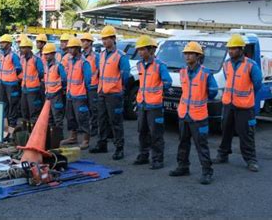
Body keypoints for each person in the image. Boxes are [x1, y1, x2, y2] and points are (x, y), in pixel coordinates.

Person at [168, 41, 218, 184]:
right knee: (183, 142)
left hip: (199, 116)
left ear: (198, 56)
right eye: (186, 53)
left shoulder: (206, 73)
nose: (187, 56)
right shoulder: (183, 72)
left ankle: (207, 172)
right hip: (184, 114)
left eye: (190, 53)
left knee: (201, 145)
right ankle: (183, 167)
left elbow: (213, 92)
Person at [214, 34, 263, 172]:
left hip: (244, 107)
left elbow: (258, 84)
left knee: (246, 134)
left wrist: (247, 96)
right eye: (229, 48)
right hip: (228, 104)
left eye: (234, 48)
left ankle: (251, 160)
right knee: (226, 131)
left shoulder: (250, 65)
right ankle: (223, 155)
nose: (230, 51)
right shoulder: (226, 64)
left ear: (241, 49)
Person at [89, 25, 130, 160]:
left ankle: (119, 148)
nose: (104, 41)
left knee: (116, 122)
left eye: (107, 39)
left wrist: (120, 89)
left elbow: (125, 75)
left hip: (114, 94)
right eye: (103, 39)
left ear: (113, 39)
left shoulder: (121, 56)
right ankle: (102, 144)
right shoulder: (101, 55)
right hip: (102, 92)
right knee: (102, 119)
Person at [132, 35, 172, 170]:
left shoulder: (160, 66)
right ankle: (143, 155)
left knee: (156, 134)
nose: (140, 52)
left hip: (154, 105)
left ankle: (157, 159)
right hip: (142, 104)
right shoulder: (139, 65)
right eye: (139, 50)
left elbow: (168, 82)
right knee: (142, 132)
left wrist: (157, 93)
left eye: (143, 49)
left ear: (151, 50)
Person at [61, 37, 92, 150]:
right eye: (69, 48)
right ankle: (73, 137)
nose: (69, 50)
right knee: (70, 117)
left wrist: (84, 93)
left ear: (78, 49)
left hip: (80, 95)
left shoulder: (84, 62)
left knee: (82, 118)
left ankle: (85, 140)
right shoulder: (70, 60)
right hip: (70, 94)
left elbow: (88, 80)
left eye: (72, 48)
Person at [43, 43, 67, 144]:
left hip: (56, 94)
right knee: (49, 118)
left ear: (53, 54)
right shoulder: (46, 66)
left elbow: (64, 79)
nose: (46, 56)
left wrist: (63, 90)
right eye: (45, 54)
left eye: (48, 54)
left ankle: (59, 138)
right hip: (48, 94)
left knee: (58, 118)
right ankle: (52, 137)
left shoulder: (58, 66)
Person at [19, 35, 45, 124]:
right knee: (24, 109)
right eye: (21, 48)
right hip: (24, 88)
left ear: (29, 48)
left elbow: (41, 73)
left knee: (34, 110)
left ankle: (34, 129)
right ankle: (26, 129)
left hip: (33, 89)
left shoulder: (36, 59)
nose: (21, 50)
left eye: (23, 48)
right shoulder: (22, 59)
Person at [0, 34, 22, 128]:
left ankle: (12, 125)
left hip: (11, 84)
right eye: (1, 43)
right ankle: (5, 125)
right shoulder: (3, 55)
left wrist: (12, 78)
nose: (1, 44)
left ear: (9, 44)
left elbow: (18, 68)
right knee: (4, 104)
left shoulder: (13, 56)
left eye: (3, 43)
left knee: (13, 105)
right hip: (3, 83)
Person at [81, 32, 99, 137]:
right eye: (82, 41)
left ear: (90, 43)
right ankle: (85, 128)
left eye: (84, 41)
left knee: (93, 109)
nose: (82, 43)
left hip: (93, 86)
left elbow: (99, 70)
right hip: (83, 86)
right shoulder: (81, 56)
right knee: (84, 108)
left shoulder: (95, 56)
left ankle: (94, 128)